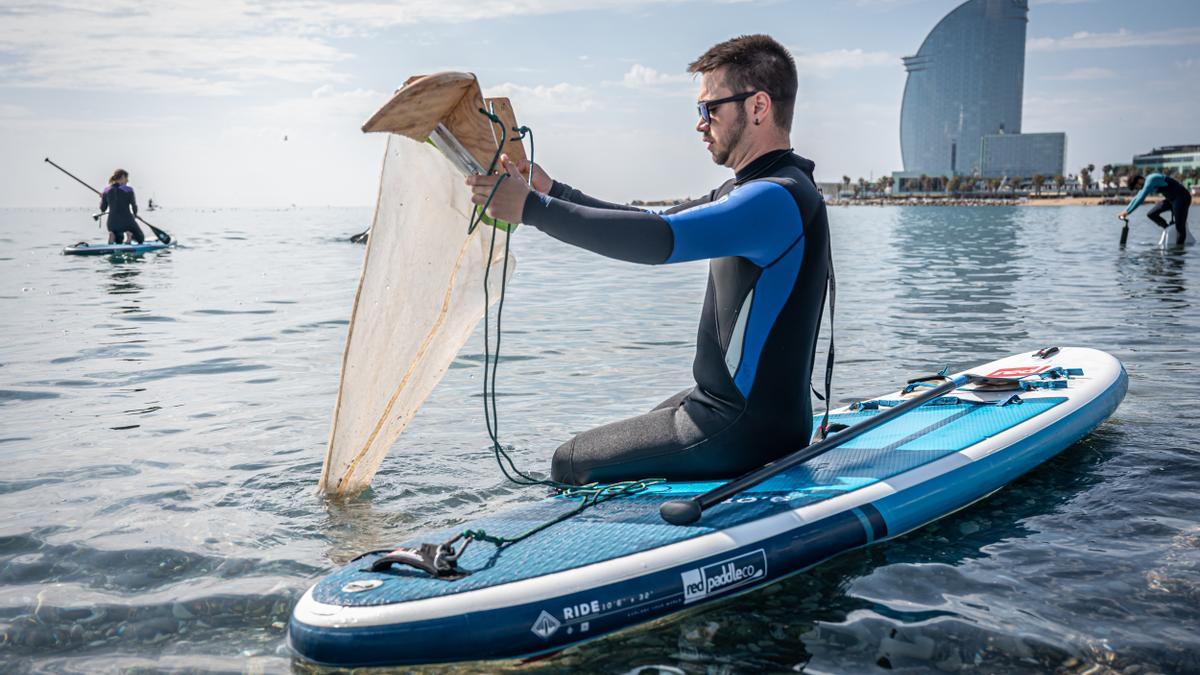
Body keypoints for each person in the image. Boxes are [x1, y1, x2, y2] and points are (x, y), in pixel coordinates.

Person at [467, 34, 831, 485]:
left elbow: (658, 239)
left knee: (570, 462)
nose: (700, 124)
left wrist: (531, 210)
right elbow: (654, 219)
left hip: (742, 428)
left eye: (710, 109)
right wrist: (552, 191)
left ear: (758, 107)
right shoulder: (761, 188)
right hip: (747, 414)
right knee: (641, 426)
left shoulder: (772, 198)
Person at [1119, 172, 1191, 245]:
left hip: (1182, 198)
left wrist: (1128, 212)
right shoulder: (1145, 184)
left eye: (1136, 187)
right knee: (1151, 214)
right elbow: (1136, 198)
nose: (1138, 189)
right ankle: (1168, 228)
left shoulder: (1151, 180)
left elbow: (1140, 199)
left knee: (1180, 228)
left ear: (1139, 181)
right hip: (1171, 200)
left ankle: (1179, 249)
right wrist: (1125, 210)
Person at [100, 169, 144, 245]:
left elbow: (103, 209)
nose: (128, 181)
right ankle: (129, 235)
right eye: (126, 178)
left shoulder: (106, 190)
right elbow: (134, 206)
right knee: (140, 239)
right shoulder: (129, 190)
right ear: (122, 177)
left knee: (118, 241)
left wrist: (102, 198)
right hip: (127, 221)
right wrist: (135, 214)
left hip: (111, 224)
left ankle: (112, 234)